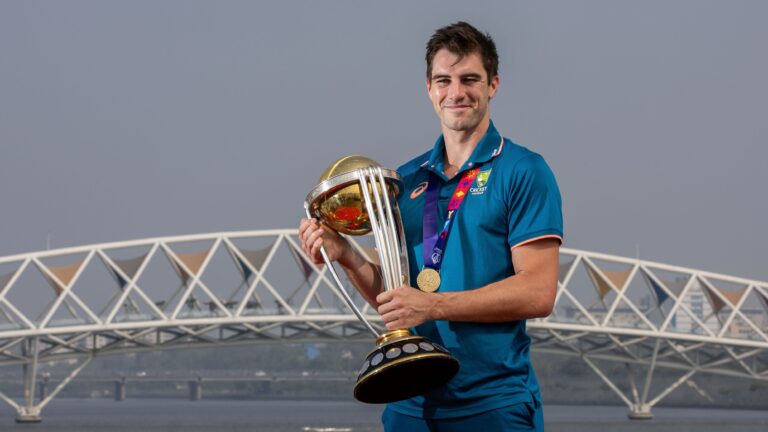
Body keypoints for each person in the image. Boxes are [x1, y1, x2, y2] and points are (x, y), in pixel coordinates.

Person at [299, 21, 562, 432]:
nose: (456, 93)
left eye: (469, 79)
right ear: (429, 89)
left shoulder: (523, 170)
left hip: (493, 403)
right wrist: (347, 255)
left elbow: (538, 292)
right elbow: (398, 298)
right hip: (409, 402)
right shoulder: (405, 180)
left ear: (493, 85)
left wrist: (434, 305)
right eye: (444, 80)